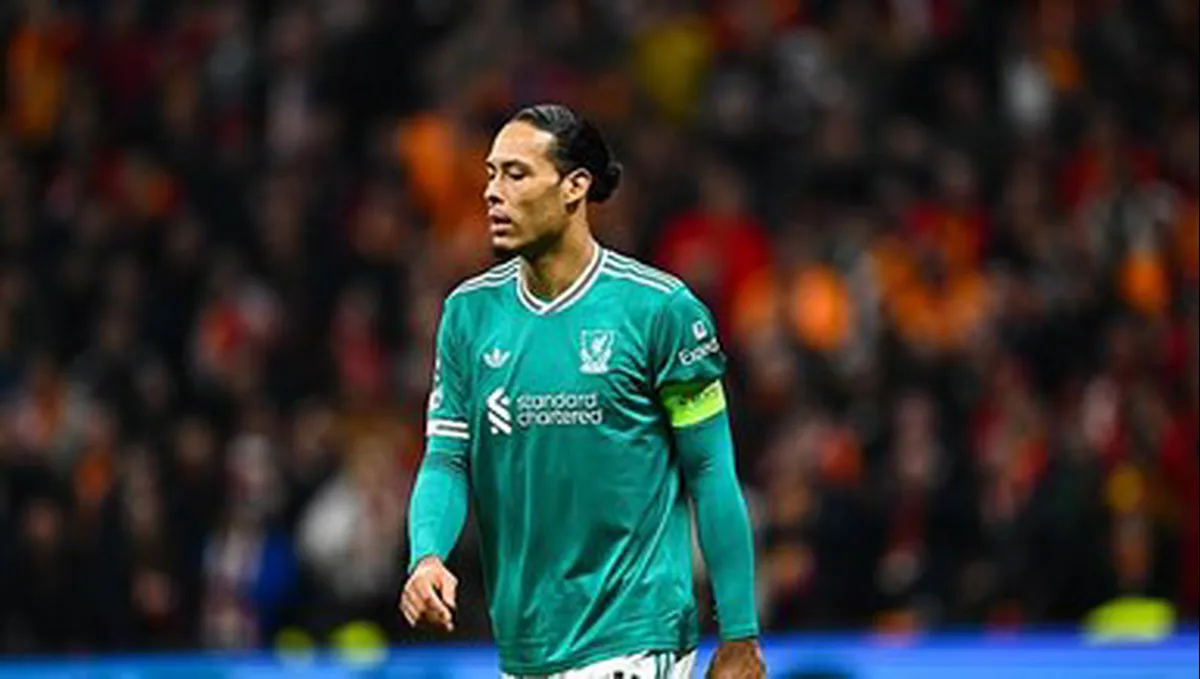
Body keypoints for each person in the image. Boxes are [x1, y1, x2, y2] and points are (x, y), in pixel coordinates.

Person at [400, 104, 764, 678]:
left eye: (516, 174)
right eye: (491, 174)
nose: (492, 192)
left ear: (575, 186)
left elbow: (710, 470)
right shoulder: (468, 314)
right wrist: (426, 556)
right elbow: (446, 459)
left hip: (636, 635)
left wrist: (740, 633)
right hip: (525, 644)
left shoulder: (660, 310)